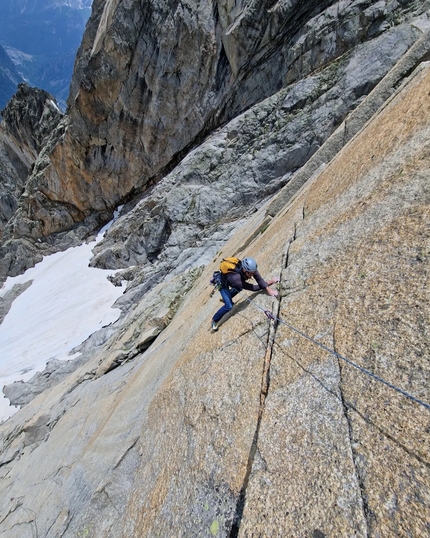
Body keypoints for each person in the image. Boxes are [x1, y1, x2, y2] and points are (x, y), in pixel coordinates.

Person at [211, 257, 279, 331]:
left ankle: (227, 298)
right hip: (222, 284)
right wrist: (269, 282)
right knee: (229, 306)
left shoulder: (250, 269)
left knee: (239, 288)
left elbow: (259, 279)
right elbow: (253, 288)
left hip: (229, 280)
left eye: (254, 272)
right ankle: (214, 320)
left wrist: (268, 289)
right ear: (245, 270)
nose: (253, 274)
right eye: (251, 273)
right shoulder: (236, 280)